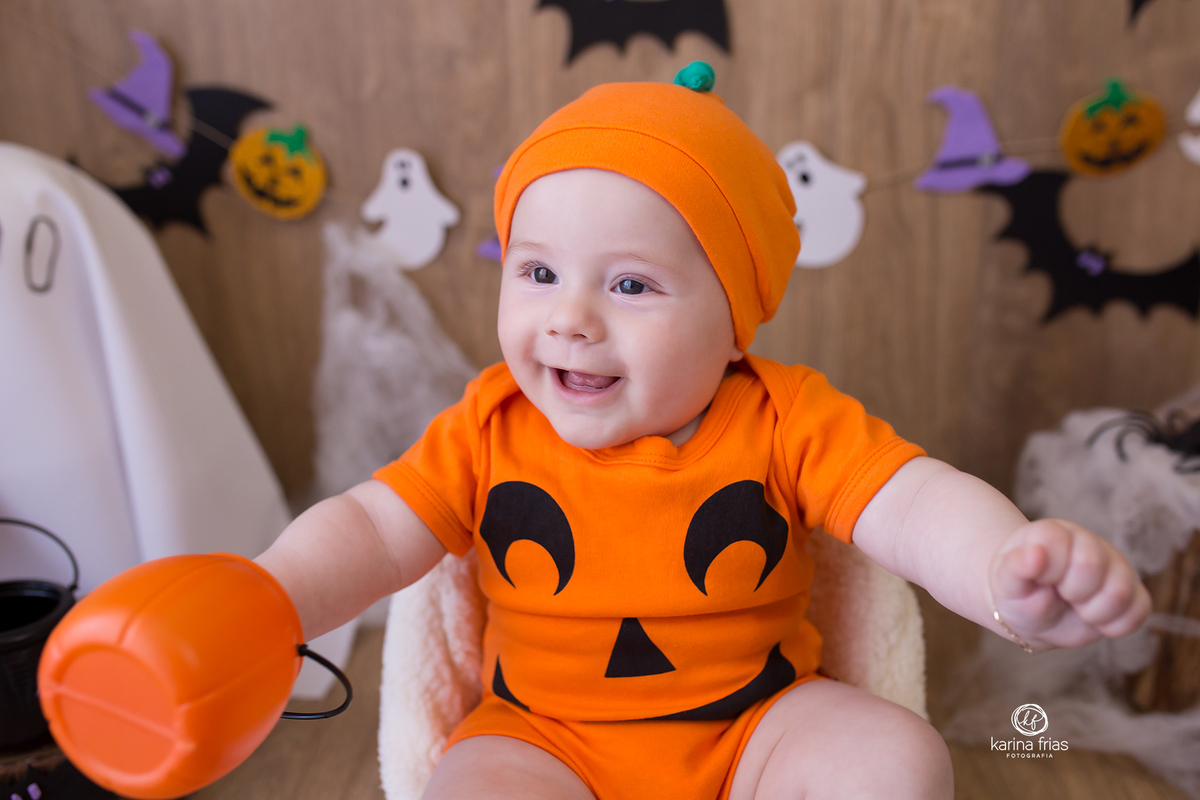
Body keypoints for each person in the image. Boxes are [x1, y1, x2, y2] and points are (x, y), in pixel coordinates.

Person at [255, 66, 1150, 800]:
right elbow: (373, 528)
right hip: (542, 739)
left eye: (630, 286)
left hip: (759, 727)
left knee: (896, 760)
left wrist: (1003, 568)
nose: (569, 318)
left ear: (734, 323)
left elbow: (913, 504)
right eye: (537, 272)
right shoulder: (487, 429)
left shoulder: (785, 416)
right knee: (472, 789)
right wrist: (273, 598)